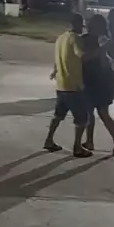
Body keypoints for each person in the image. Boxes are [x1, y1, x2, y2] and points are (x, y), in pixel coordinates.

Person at [44, 14, 92, 157]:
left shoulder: (60, 38)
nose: (82, 28)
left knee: (58, 115)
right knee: (82, 119)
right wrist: (100, 49)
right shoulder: (75, 38)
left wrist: (55, 71)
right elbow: (81, 55)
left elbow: (58, 59)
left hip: (61, 84)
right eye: (81, 25)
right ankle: (77, 147)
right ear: (76, 24)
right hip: (74, 85)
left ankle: (49, 140)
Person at [82, 14, 114, 155]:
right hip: (93, 79)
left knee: (101, 113)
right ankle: (90, 141)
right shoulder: (90, 40)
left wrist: (101, 51)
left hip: (100, 80)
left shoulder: (103, 41)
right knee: (91, 112)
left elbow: (104, 63)